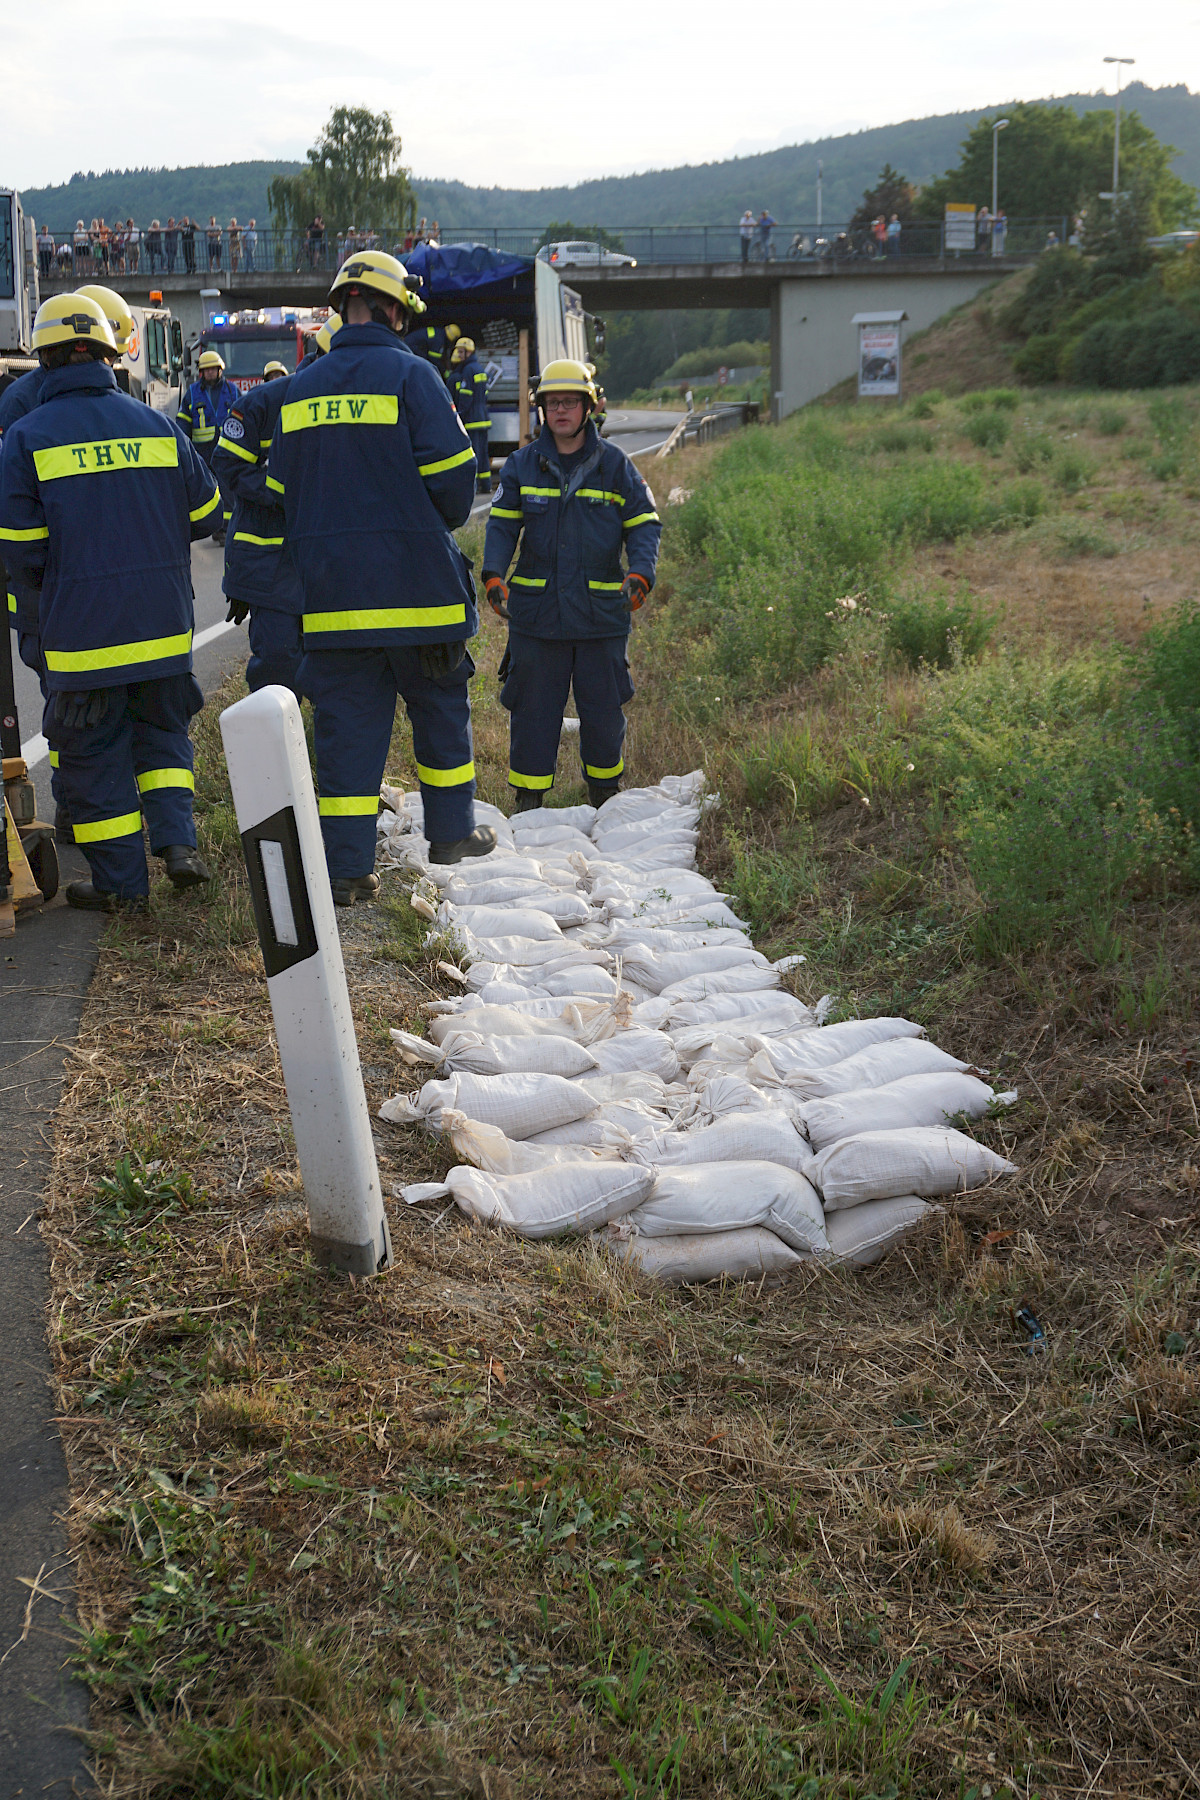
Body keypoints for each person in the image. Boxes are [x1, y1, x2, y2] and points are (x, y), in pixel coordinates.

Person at [266, 248, 494, 901]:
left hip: (332, 603)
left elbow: (279, 488)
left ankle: (344, 871)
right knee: (439, 707)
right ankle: (450, 832)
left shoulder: (301, 386)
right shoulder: (413, 376)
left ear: (341, 307)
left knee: (345, 733)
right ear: (396, 309)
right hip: (418, 595)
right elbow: (455, 486)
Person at [0, 292, 221, 913]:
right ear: (108, 353)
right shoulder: (159, 425)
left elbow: (23, 551)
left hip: (82, 636)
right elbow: (207, 514)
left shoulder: (24, 437)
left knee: (93, 762)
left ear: (43, 358)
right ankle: (179, 846)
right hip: (164, 627)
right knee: (163, 739)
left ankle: (123, 887)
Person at [481, 358, 661, 811]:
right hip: (537, 616)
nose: (560, 410)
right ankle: (528, 800)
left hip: (601, 614)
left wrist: (641, 573)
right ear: (541, 408)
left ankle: (604, 795)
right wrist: (494, 574)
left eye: (569, 402)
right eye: (552, 403)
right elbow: (501, 527)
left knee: (602, 711)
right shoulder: (522, 465)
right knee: (533, 712)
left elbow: (644, 525)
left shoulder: (616, 466)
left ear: (588, 406)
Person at [213, 339, 319, 700]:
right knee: (278, 662)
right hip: (273, 564)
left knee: (340, 672)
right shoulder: (263, 404)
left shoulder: (360, 401)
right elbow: (228, 464)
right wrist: (283, 492)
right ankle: (274, 747)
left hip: (334, 561)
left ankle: (322, 746)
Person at [178, 350, 238, 547]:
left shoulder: (232, 391)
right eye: (206, 370)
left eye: (213, 369)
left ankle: (225, 529)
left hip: (227, 448)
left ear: (220, 370)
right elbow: (183, 423)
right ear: (201, 372)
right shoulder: (193, 394)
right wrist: (182, 447)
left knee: (227, 489)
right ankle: (216, 525)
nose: (210, 373)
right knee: (209, 488)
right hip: (202, 452)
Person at [447, 336, 492, 493]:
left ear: (468, 352)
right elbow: (484, 394)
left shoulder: (467, 370)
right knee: (483, 454)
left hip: (472, 420)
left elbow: (466, 397)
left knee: (472, 456)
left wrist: (459, 415)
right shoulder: (480, 368)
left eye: (460, 352)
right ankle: (486, 485)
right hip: (483, 419)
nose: (458, 355)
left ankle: (472, 488)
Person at [586, 362, 608, 435]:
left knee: (594, 434)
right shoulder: (590, 384)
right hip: (592, 416)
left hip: (597, 416)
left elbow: (602, 400)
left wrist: (593, 415)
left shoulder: (594, 386)